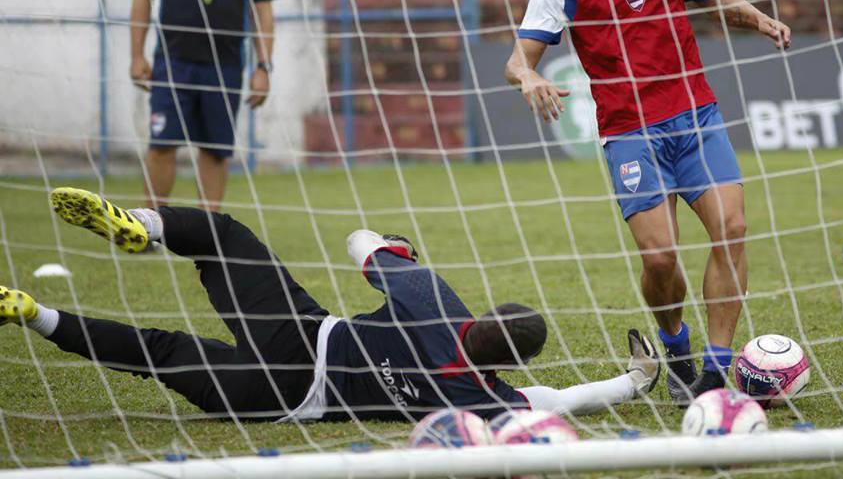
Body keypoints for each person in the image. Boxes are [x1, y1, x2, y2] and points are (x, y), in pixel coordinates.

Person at [505, 0, 792, 405]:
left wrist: (758, 18)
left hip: (696, 118)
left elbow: (715, 1)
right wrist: (529, 77)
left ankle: (713, 369)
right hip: (631, 134)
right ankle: (675, 343)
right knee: (661, 259)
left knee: (732, 228)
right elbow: (518, 58)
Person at [0, 187, 660, 422]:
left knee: (223, 239)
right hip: (283, 403)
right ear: (510, 363)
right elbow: (560, 401)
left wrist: (393, 246)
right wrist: (633, 382)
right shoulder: (486, 401)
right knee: (160, 352)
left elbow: (357, 240)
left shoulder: (434, 302)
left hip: (303, 333)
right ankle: (33, 314)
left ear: (481, 318)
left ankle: (148, 226)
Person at [129, 0, 278, 212]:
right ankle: (151, 226)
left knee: (215, 149)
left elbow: (263, 10)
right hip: (172, 62)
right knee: (162, 144)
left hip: (225, 67)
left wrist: (263, 67)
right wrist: (136, 55)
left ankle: (208, 231)